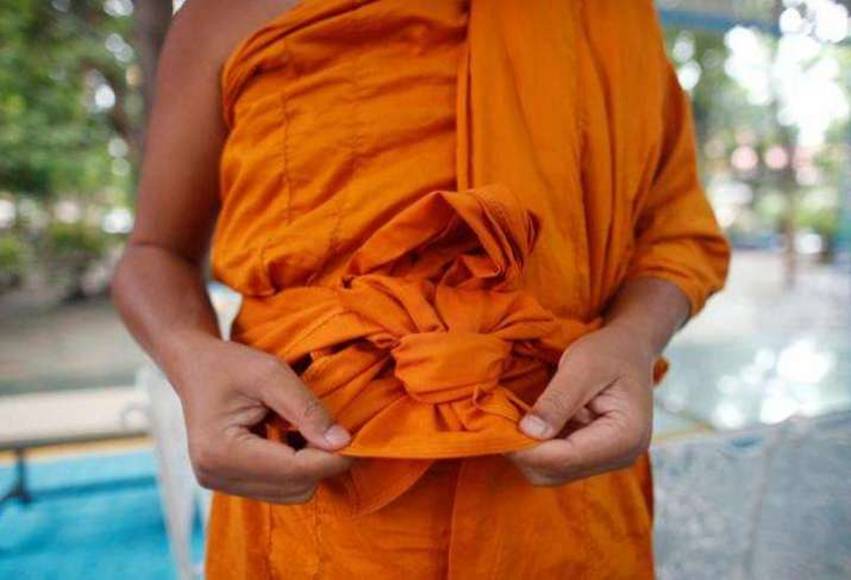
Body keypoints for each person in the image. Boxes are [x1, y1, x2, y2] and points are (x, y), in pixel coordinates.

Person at [112, 0, 731, 577]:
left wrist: (633, 339)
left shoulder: (610, 16)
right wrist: (192, 358)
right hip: (315, 503)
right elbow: (153, 253)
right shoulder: (227, 13)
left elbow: (677, 234)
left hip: (568, 492)